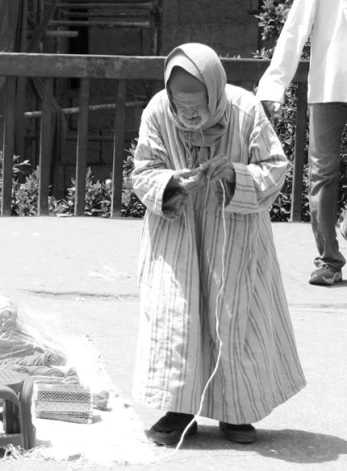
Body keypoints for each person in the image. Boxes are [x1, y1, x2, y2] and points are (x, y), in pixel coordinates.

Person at [131, 43, 306, 446]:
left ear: (216, 91)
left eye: (198, 106)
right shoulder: (158, 111)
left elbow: (275, 168)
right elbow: (143, 171)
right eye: (182, 106)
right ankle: (179, 410)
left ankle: (236, 412)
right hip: (178, 232)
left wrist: (235, 174)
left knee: (235, 317)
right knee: (177, 315)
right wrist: (171, 183)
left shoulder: (245, 110)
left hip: (236, 234)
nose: (188, 115)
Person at [257, 0, 347, 286]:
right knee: (322, 172)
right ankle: (328, 261)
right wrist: (274, 84)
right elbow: (295, 29)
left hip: (328, 85)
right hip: (328, 85)